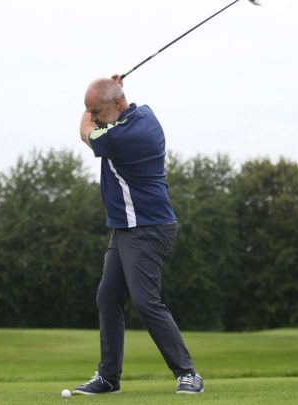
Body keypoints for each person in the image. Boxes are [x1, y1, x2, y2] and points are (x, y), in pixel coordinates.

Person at [71, 75, 203, 395]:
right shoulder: (143, 113)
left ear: (117, 104)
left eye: (98, 110)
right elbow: (108, 110)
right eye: (93, 111)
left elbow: (85, 131)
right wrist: (109, 91)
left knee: (145, 301)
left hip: (147, 227)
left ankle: (188, 373)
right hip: (128, 227)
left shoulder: (120, 137)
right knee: (108, 296)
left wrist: (89, 112)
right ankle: (108, 377)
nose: (95, 116)